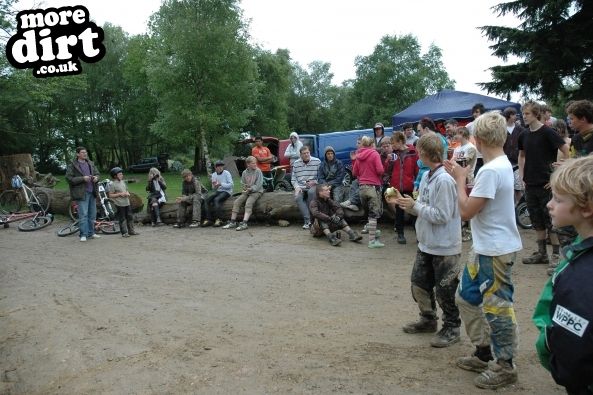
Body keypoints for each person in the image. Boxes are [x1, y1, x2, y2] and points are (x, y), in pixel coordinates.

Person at [445, 111, 522, 390]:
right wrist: (462, 177)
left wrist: (458, 179)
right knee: (466, 298)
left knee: (498, 308)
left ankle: (505, 366)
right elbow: (478, 204)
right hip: (485, 247)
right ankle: (484, 351)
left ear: (476, 139)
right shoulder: (498, 164)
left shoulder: (491, 170)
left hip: (495, 250)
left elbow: (465, 212)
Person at [533, 156, 593, 395]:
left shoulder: (581, 278)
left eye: (558, 199)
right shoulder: (578, 250)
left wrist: (560, 367)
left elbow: (573, 342)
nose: (549, 204)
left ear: (586, 208)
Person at [395, 132, 461, 348]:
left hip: (445, 246)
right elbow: (423, 205)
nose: (416, 156)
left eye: (418, 152)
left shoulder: (444, 180)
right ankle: (428, 319)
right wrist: (409, 203)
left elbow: (442, 215)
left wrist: (414, 206)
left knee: (446, 290)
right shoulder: (426, 176)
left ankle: (452, 327)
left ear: (424, 153)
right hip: (427, 243)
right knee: (419, 284)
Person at [519, 101, 569, 270]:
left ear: (536, 114)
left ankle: (555, 255)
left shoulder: (548, 132)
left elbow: (565, 149)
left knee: (551, 221)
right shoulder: (523, 135)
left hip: (546, 184)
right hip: (530, 183)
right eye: (523, 113)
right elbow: (521, 155)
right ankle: (541, 253)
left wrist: (557, 175)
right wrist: (521, 175)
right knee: (536, 219)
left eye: (527, 114)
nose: (524, 116)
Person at [384, 131, 418, 244]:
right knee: (399, 211)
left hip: (410, 186)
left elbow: (417, 170)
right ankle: (400, 234)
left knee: (414, 211)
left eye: (393, 143)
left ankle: (419, 235)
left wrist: (417, 184)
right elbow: (387, 171)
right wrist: (388, 161)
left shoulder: (413, 153)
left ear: (400, 141)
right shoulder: (394, 155)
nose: (392, 146)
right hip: (396, 187)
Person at [353, 135, 385, 248]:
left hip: (362, 188)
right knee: (374, 214)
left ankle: (373, 231)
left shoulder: (358, 156)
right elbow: (380, 170)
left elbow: (354, 173)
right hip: (373, 187)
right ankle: (372, 241)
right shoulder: (374, 154)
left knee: (369, 213)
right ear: (371, 144)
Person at [65, 146, 100, 242]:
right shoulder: (72, 165)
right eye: (82, 152)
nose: (85, 154)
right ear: (77, 154)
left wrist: (96, 178)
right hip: (81, 193)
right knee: (83, 214)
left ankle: (91, 233)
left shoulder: (90, 163)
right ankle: (83, 234)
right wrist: (82, 178)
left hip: (92, 192)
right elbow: (69, 178)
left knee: (92, 214)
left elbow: (98, 174)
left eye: (85, 152)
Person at [223, 156, 263, 231]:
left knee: (248, 203)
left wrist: (251, 189)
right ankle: (232, 222)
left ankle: (244, 223)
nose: (255, 164)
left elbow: (259, 184)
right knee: (236, 202)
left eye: (255, 163)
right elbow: (243, 183)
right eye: (253, 163)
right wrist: (245, 189)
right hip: (247, 191)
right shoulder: (245, 172)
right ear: (248, 165)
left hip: (257, 192)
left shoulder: (258, 171)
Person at [291, 146, 321, 229]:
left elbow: (321, 177)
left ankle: (313, 219)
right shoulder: (296, 163)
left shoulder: (317, 161)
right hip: (301, 186)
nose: (306, 155)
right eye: (304, 153)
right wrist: (296, 187)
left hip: (313, 185)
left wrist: (314, 182)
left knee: (311, 193)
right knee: (297, 197)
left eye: (307, 153)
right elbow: (293, 179)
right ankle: (308, 221)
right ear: (300, 155)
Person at [501, 107, 526, 205]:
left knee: (518, 189)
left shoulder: (520, 129)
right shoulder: (501, 129)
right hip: (505, 163)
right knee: (507, 189)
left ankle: (520, 209)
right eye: (515, 114)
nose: (516, 116)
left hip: (517, 163)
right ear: (510, 115)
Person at [108, 167, 138, 237]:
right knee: (122, 218)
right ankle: (124, 232)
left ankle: (131, 231)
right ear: (115, 176)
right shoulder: (112, 184)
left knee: (130, 217)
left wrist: (127, 193)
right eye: (120, 174)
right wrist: (120, 194)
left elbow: (126, 190)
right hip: (119, 204)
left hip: (127, 202)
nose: (122, 175)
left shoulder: (123, 182)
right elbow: (110, 195)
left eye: (122, 174)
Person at [202, 160, 233, 227]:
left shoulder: (226, 173)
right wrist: (215, 186)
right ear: (215, 168)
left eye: (221, 166)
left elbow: (231, 185)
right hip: (218, 191)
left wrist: (221, 184)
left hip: (227, 191)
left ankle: (219, 219)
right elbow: (214, 188)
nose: (220, 168)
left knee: (216, 200)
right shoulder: (214, 175)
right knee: (207, 200)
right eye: (218, 166)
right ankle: (208, 219)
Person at [466, 103, 486, 176]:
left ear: (482, 113)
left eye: (477, 112)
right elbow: (462, 135)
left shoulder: (488, 124)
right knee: (477, 177)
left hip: (487, 155)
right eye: (473, 112)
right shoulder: (469, 126)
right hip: (476, 156)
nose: (474, 114)